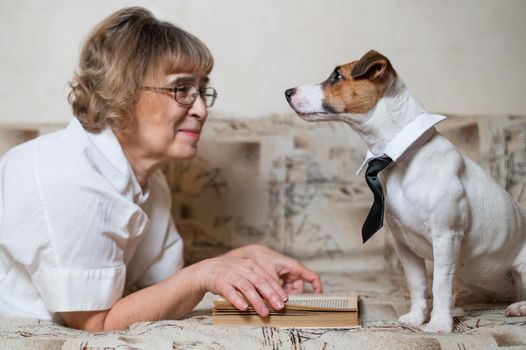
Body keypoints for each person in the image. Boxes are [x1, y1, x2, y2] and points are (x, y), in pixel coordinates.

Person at [0, 7, 322, 332]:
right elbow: (95, 324)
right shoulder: (69, 178)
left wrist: (241, 259)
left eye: (201, 90)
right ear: (122, 90)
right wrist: (205, 273)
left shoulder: (149, 178)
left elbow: (167, 287)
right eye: (181, 89)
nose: (201, 109)